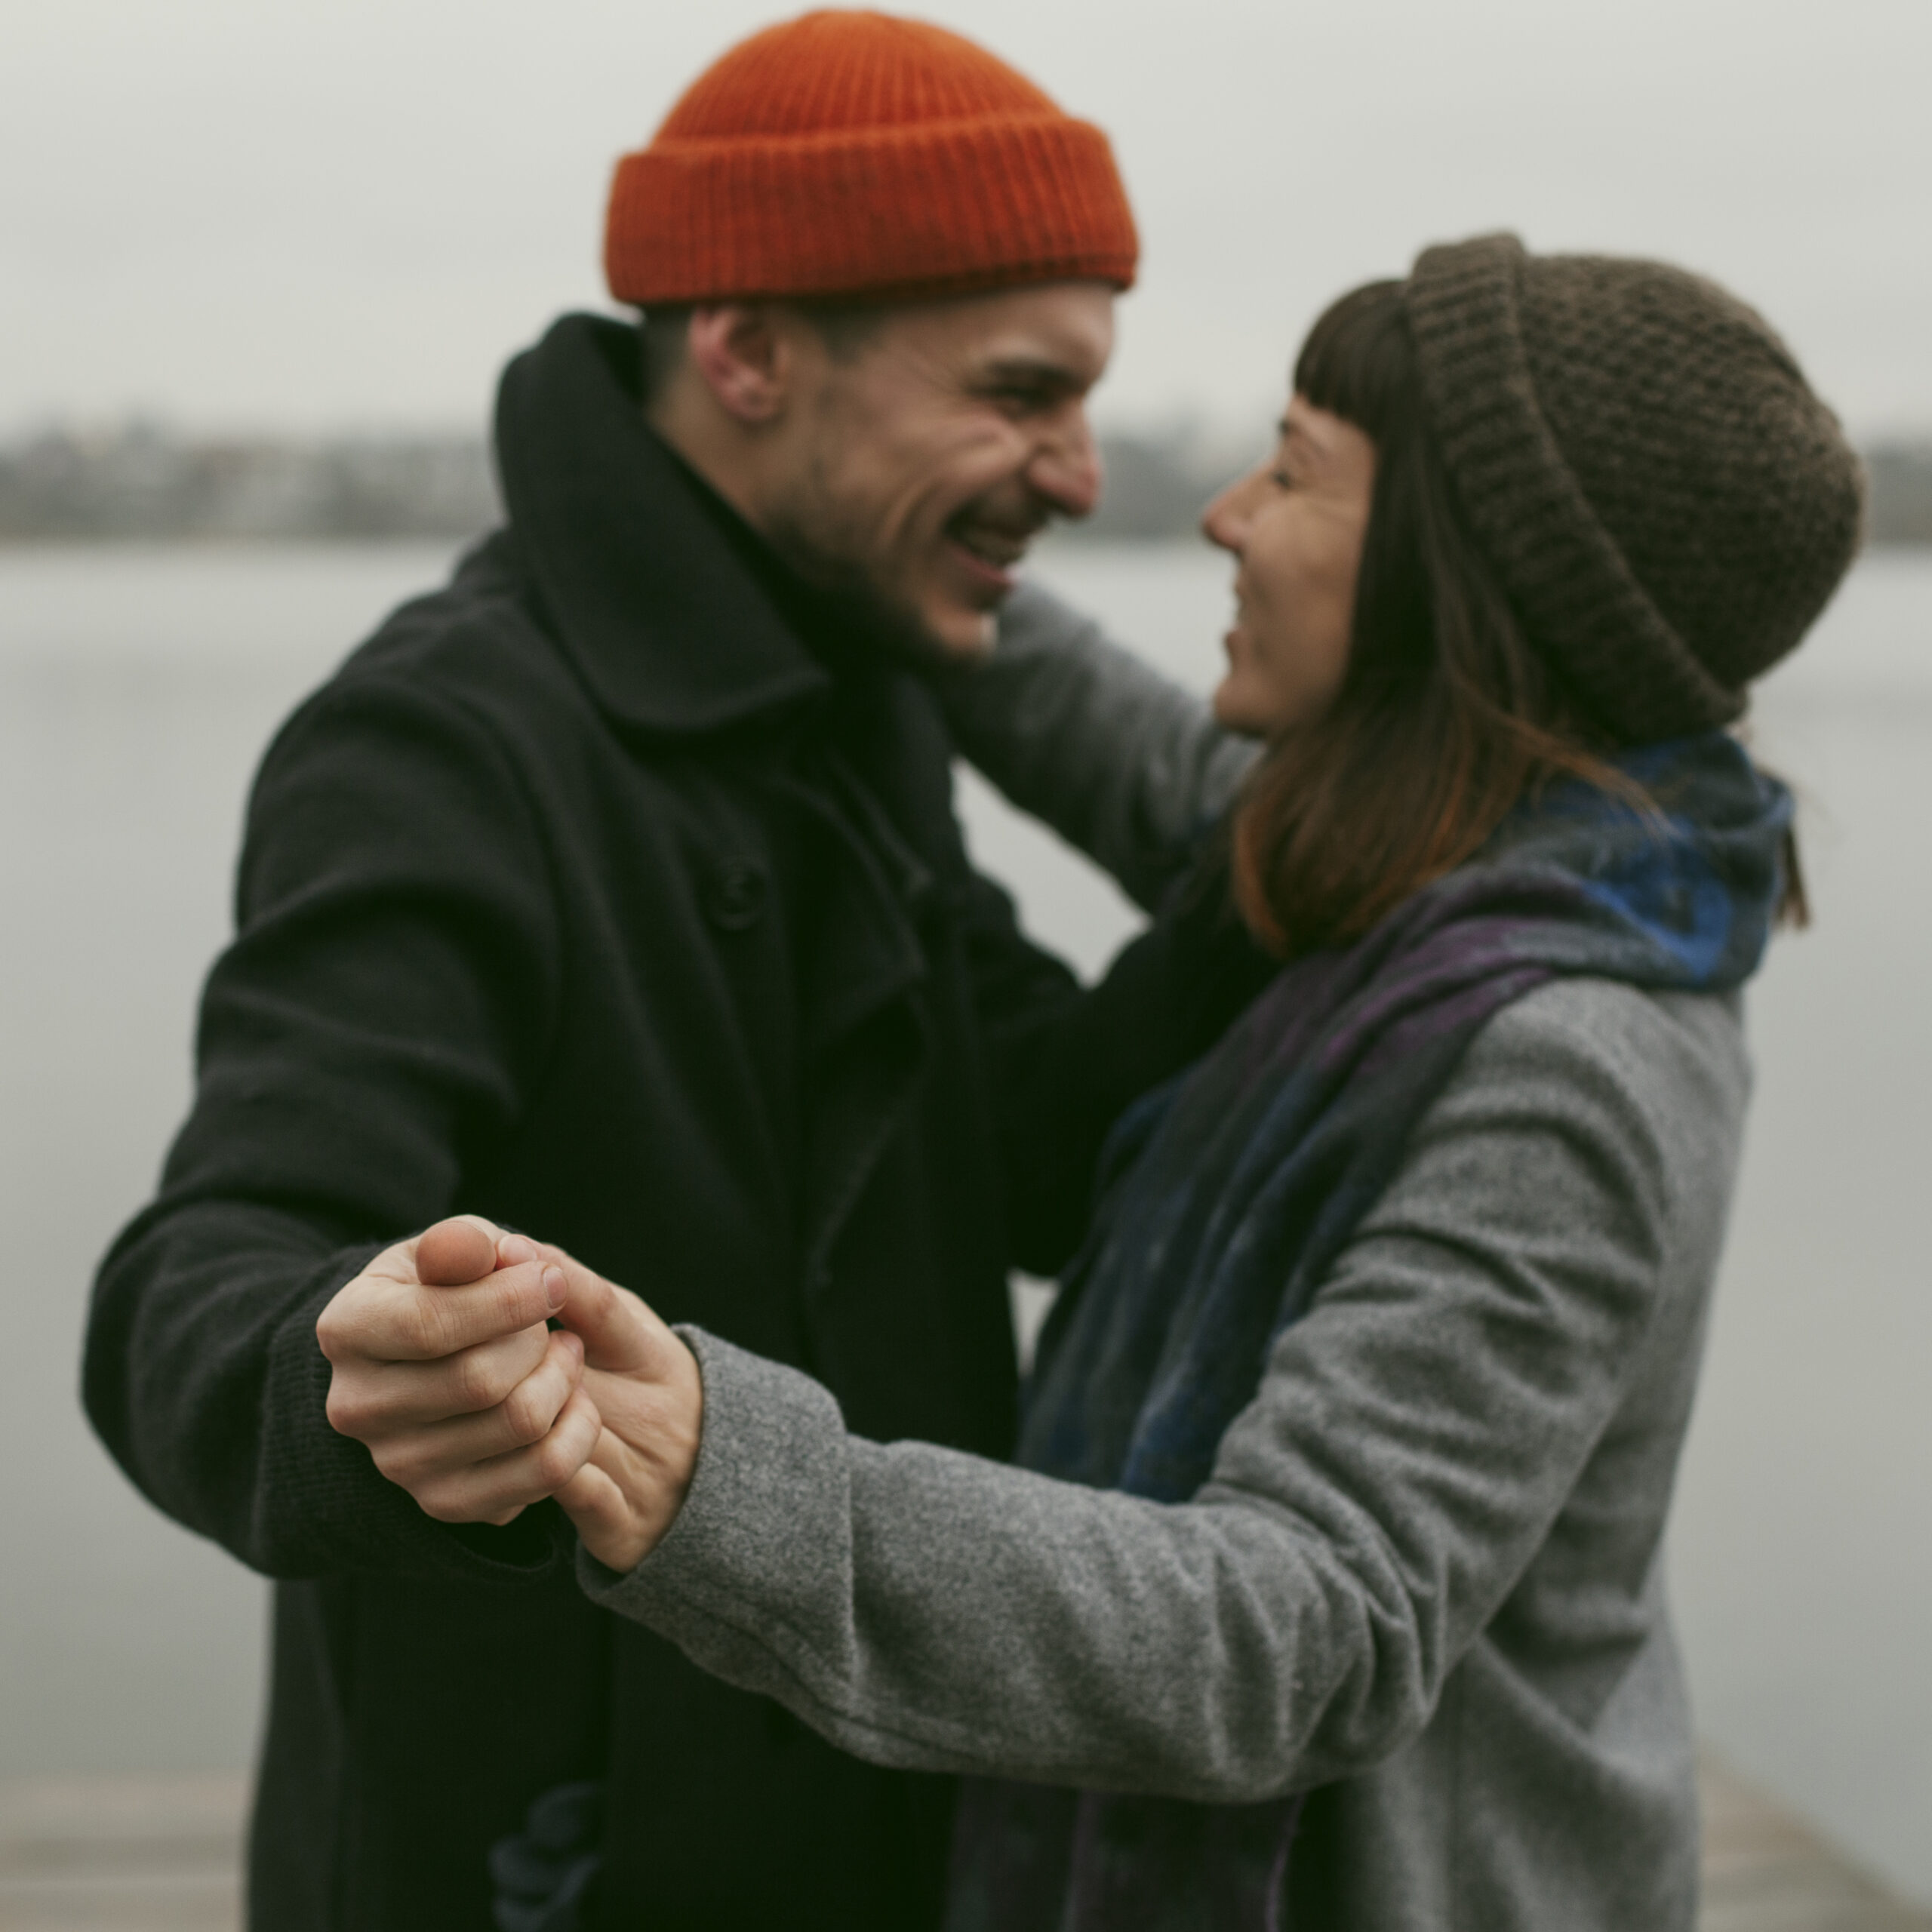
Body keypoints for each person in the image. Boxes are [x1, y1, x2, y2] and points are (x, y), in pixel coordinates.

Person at [415, 235, 1866, 1930]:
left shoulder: (1571, 1061)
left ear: (1447, 580)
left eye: (1299, 471)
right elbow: (1061, 700)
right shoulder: (1379, 861)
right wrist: (805, 497)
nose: (1222, 513)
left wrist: (719, 1481)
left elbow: (1297, 1623)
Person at [82, 14, 1270, 1928]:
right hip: (548, 1866)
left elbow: (1042, 1141)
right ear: (745, 349)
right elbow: (185, 1295)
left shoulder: (847, 684)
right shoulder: (446, 735)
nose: (1076, 472)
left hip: (871, 1823)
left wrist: (1296, 865)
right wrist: (358, 1371)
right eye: (1019, 391)